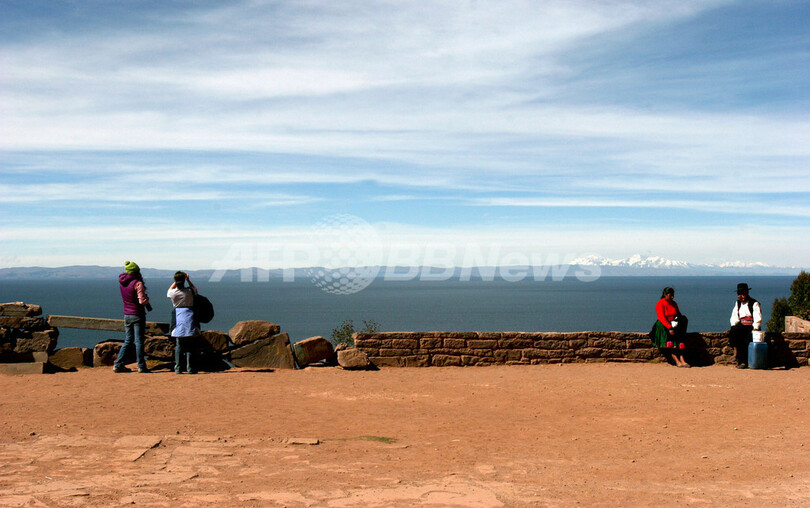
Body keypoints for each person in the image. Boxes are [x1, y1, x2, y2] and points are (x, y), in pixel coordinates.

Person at [115, 260, 152, 373]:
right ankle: (141, 365)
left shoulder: (122, 282)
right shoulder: (138, 283)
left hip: (127, 314)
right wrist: (147, 300)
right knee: (139, 341)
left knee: (128, 340)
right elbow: (141, 301)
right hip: (137, 314)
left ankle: (118, 364)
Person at [167, 271, 199, 374]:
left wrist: (176, 281)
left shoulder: (173, 293)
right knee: (190, 345)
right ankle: (190, 368)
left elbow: (169, 290)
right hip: (190, 317)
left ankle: (178, 368)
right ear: (184, 280)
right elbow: (195, 290)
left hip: (178, 317)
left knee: (179, 345)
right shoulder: (189, 292)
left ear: (175, 281)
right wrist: (188, 280)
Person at [651, 287, 690, 368]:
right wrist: (669, 327)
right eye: (670, 295)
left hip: (674, 323)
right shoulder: (660, 303)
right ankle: (676, 359)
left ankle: (682, 358)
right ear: (665, 295)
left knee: (680, 340)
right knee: (672, 341)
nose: (672, 297)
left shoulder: (674, 303)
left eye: (673, 295)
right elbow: (661, 317)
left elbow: (678, 314)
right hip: (664, 324)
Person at [729, 282, 762, 369]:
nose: (742, 296)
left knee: (746, 340)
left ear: (747, 293)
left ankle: (744, 361)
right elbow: (734, 316)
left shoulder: (754, 303)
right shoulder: (738, 304)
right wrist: (733, 326)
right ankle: (738, 356)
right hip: (742, 325)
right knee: (734, 333)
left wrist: (755, 328)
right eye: (740, 294)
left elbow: (757, 317)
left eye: (743, 294)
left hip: (751, 326)